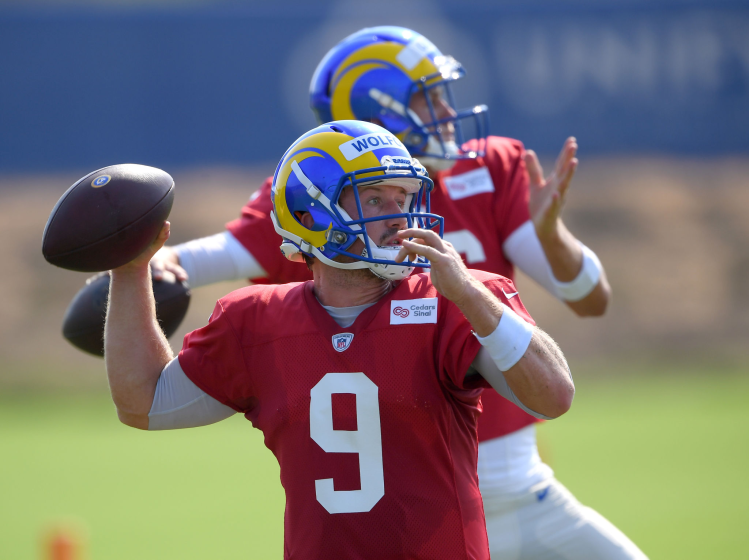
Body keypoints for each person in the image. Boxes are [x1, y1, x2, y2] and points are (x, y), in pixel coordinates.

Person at [153, 27, 645, 559]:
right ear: (380, 111)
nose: (445, 111)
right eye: (426, 97)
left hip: (519, 480)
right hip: (413, 491)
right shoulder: (320, 193)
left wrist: (553, 236)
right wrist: (142, 266)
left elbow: (591, 300)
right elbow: (196, 261)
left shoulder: (486, 166)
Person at [106, 120, 574, 559]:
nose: (398, 217)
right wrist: (130, 269)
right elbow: (142, 401)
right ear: (312, 213)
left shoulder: (454, 301)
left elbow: (553, 395)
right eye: (374, 200)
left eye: (402, 198)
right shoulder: (256, 321)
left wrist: (472, 295)